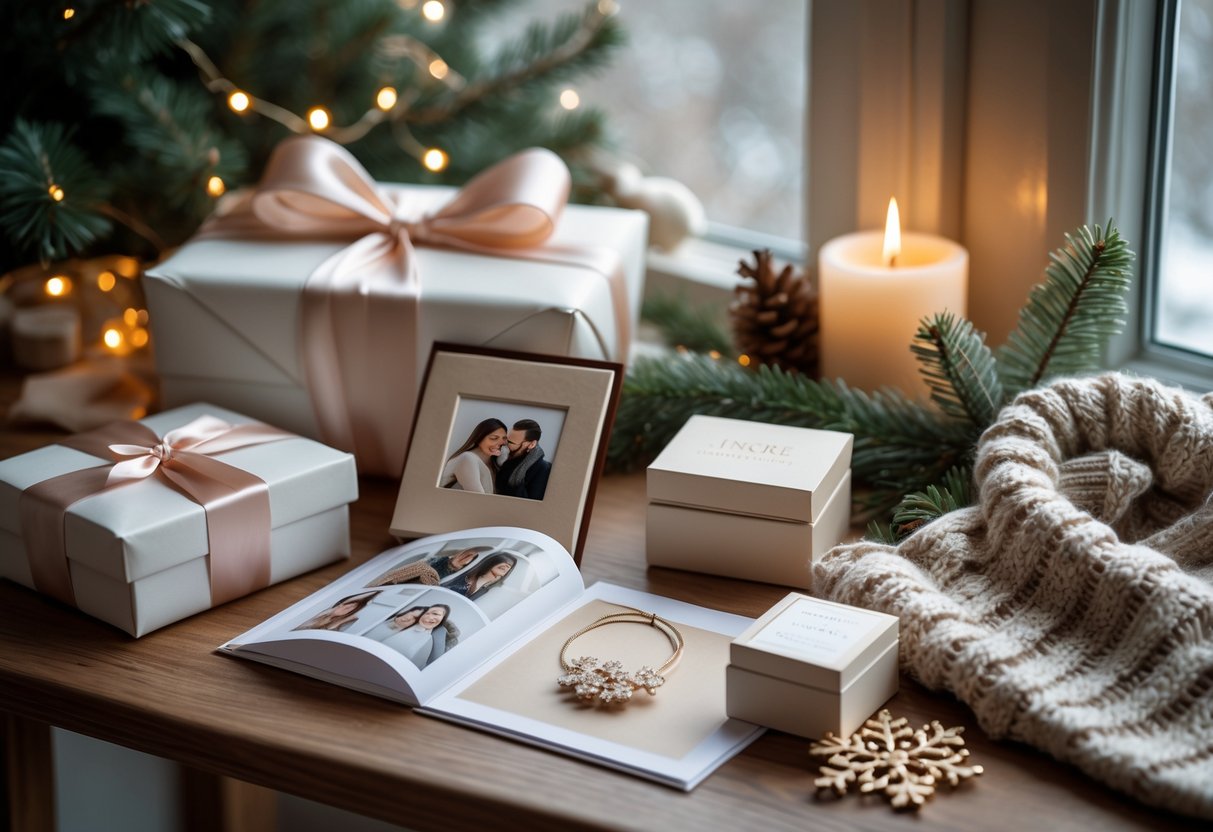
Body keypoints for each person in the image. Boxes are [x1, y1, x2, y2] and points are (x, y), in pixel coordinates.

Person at [440, 418, 508, 493]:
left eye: (504, 439)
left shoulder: (494, 463)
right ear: (479, 438)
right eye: (494, 438)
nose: (501, 443)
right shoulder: (467, 458)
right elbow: (478, 499)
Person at [369, 546, 491, 587]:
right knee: (424, 568)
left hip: (427, 580)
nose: (465, 557)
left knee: (424, 569)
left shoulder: (462, 579)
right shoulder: (439, 559)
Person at [379, 604, 452, 668]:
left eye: (435, 614)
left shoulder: (431, 637)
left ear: (443, 619)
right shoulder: (386, 622)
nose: (429, 616)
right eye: (427, 613)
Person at [495, 419, 551, 500]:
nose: (505, 444)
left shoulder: (543, 469)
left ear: (531, 444)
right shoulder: (506, 459)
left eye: (511, 442)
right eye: (506, 439)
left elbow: (531, 505)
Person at [441, 553, 517, 601]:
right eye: (505, 561)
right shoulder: (466, 578)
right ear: (493, 561)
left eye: (510, 566)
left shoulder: (488, 590)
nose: (507, 566)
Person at [293, 591, 380, 632]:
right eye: (343, 604)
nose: (345, 606)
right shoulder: (322, 615)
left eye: (351, 608)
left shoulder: (335, 625)